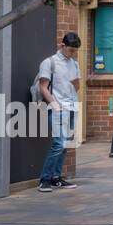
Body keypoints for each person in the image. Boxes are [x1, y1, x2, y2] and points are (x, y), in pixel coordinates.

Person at [36, 32, 82, 192]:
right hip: (57, 108)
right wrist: (55, 105)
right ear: (62, 46)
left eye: (75, 51)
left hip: (72, 107)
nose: (73, 53)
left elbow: (76, 88)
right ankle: (44, 179)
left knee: (65, 145)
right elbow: (43, 87)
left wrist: (76, 84)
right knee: (58, 143)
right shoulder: (49, 63)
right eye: (70, 50)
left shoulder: (74, 64)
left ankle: (56, 178)